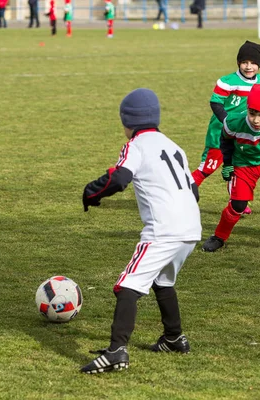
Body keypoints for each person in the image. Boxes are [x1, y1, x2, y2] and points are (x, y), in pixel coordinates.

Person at [80, 88, 201, 374]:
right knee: (163, 281)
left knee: (127, 285)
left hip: (164, 229)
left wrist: (91, 193)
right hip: (190, 227)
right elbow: (193, 190)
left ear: (128, 121)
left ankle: (116, 352)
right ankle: (173, 337)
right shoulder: (173, 145)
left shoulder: (136, 144)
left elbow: (119, 177)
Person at [202, 84, 260, 252]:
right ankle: (219, 236)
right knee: (238, 205)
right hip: (243, 164)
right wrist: (228, 164)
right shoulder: (234, 122)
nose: (256, 120)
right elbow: (225, 141)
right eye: (252, 113)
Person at [191, 41, 260, 215]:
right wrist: (227, 123)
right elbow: (215, 103)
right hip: (220, 133)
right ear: (238, 62)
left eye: (253, 63)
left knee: (237, 168)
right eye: (244, 62)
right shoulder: (227, 81)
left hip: (241, 134)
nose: (249, 66)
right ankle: (183, 194)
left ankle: (236, 202)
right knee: (208, 167)